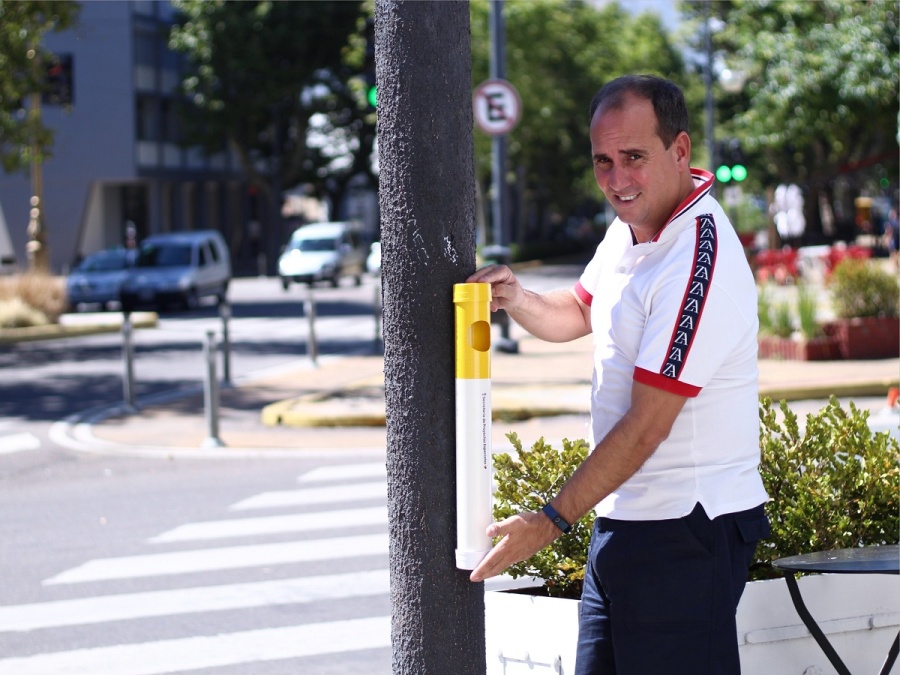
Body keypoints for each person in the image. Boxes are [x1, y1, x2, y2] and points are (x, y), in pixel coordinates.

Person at [468, 75, 770, 674]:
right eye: (603, 161)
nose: (616, 180)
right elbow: (581, 310)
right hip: (625, 521)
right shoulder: (631, 230)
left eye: (633, 157)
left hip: (688, 531)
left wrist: (549, 521)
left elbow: (647, 425)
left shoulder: (696, 257)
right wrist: (518, 298)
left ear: (679, 150)